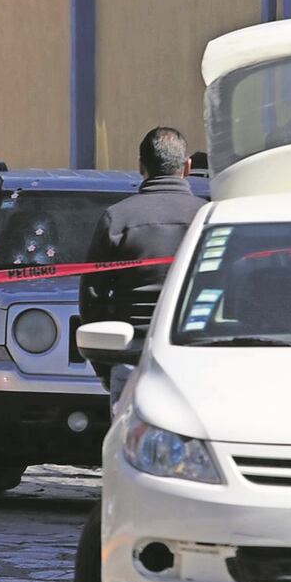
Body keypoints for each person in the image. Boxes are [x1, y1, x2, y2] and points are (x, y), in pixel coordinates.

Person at [79, 127, 206, 408]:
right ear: (187, 167)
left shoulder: (118, 218)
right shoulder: (208, 217)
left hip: (131, 357)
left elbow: (92, 297)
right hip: (197, 357)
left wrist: (103, 364)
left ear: (140, 166)